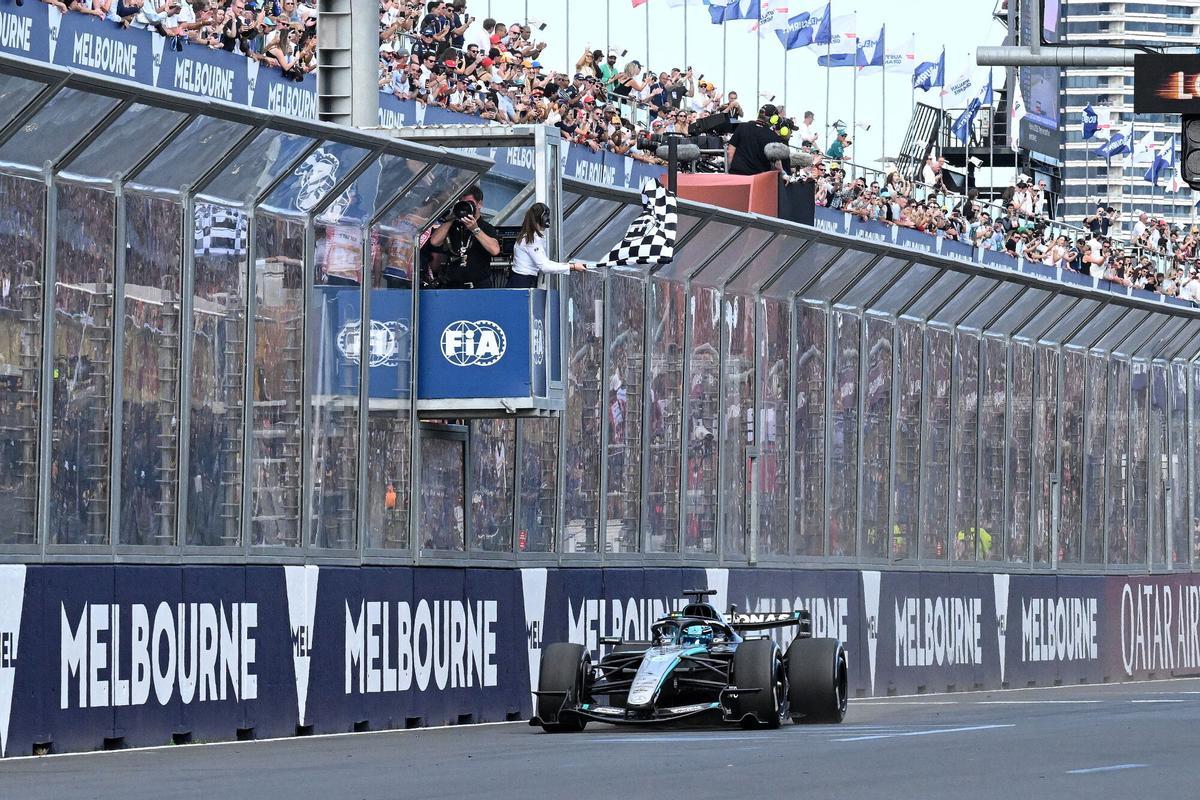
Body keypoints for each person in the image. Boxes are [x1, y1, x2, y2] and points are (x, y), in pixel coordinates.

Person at [427, 186, 501, 288]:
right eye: (463, 203)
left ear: (479, 204)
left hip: (478, 287)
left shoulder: (486, 227)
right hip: (453, 287)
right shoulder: (452, 226)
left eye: (470, 203)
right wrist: (453, 217)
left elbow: (495, 250)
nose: (466, 207)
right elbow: (434, 241)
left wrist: (475, 229)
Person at [508, 203, 587, 288]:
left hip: (524, 281)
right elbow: (545, 266)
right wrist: (572, 267)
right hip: (522, 283)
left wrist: (570, 266)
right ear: (542, 218)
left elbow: (546, 263)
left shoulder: (530, 237)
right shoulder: (530, 239)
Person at [726, 103, 787, 176]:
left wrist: (729, 171)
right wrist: (784, 174)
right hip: (758, 179)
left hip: (737, 175)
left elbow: (730, 152)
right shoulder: (773, 136)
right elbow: (777, 164)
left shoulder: (742, 127)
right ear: (773, 119)